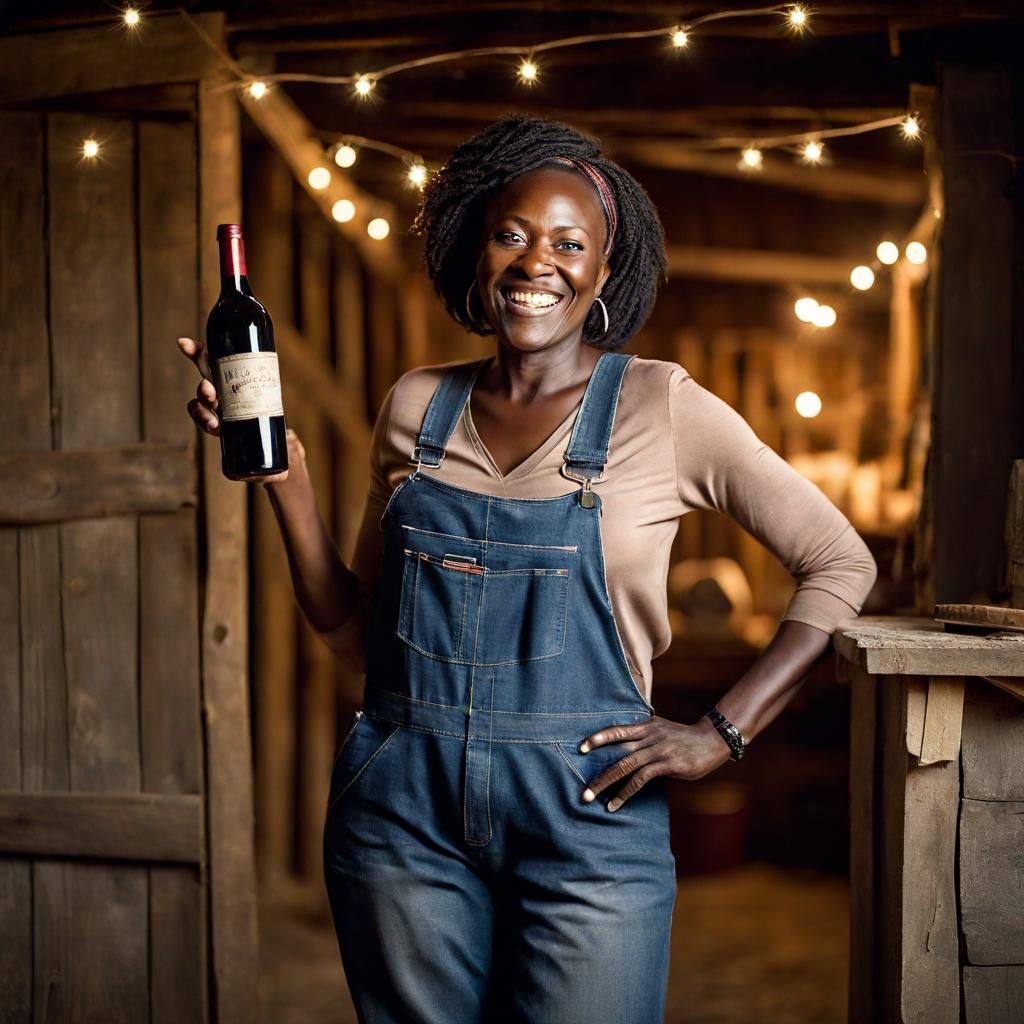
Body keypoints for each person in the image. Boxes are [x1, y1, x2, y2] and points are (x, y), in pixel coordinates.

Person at [179, 113, 877, 1024]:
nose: (534, 261)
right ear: (478, 251)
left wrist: (722, 733)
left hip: (590, 821)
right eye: (511, 233)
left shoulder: (663, 408)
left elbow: (837, 562)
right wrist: (287, 479)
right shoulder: (417, 407)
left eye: (567, 242)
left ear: (601, 273)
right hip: (402, 815)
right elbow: (358, 636)